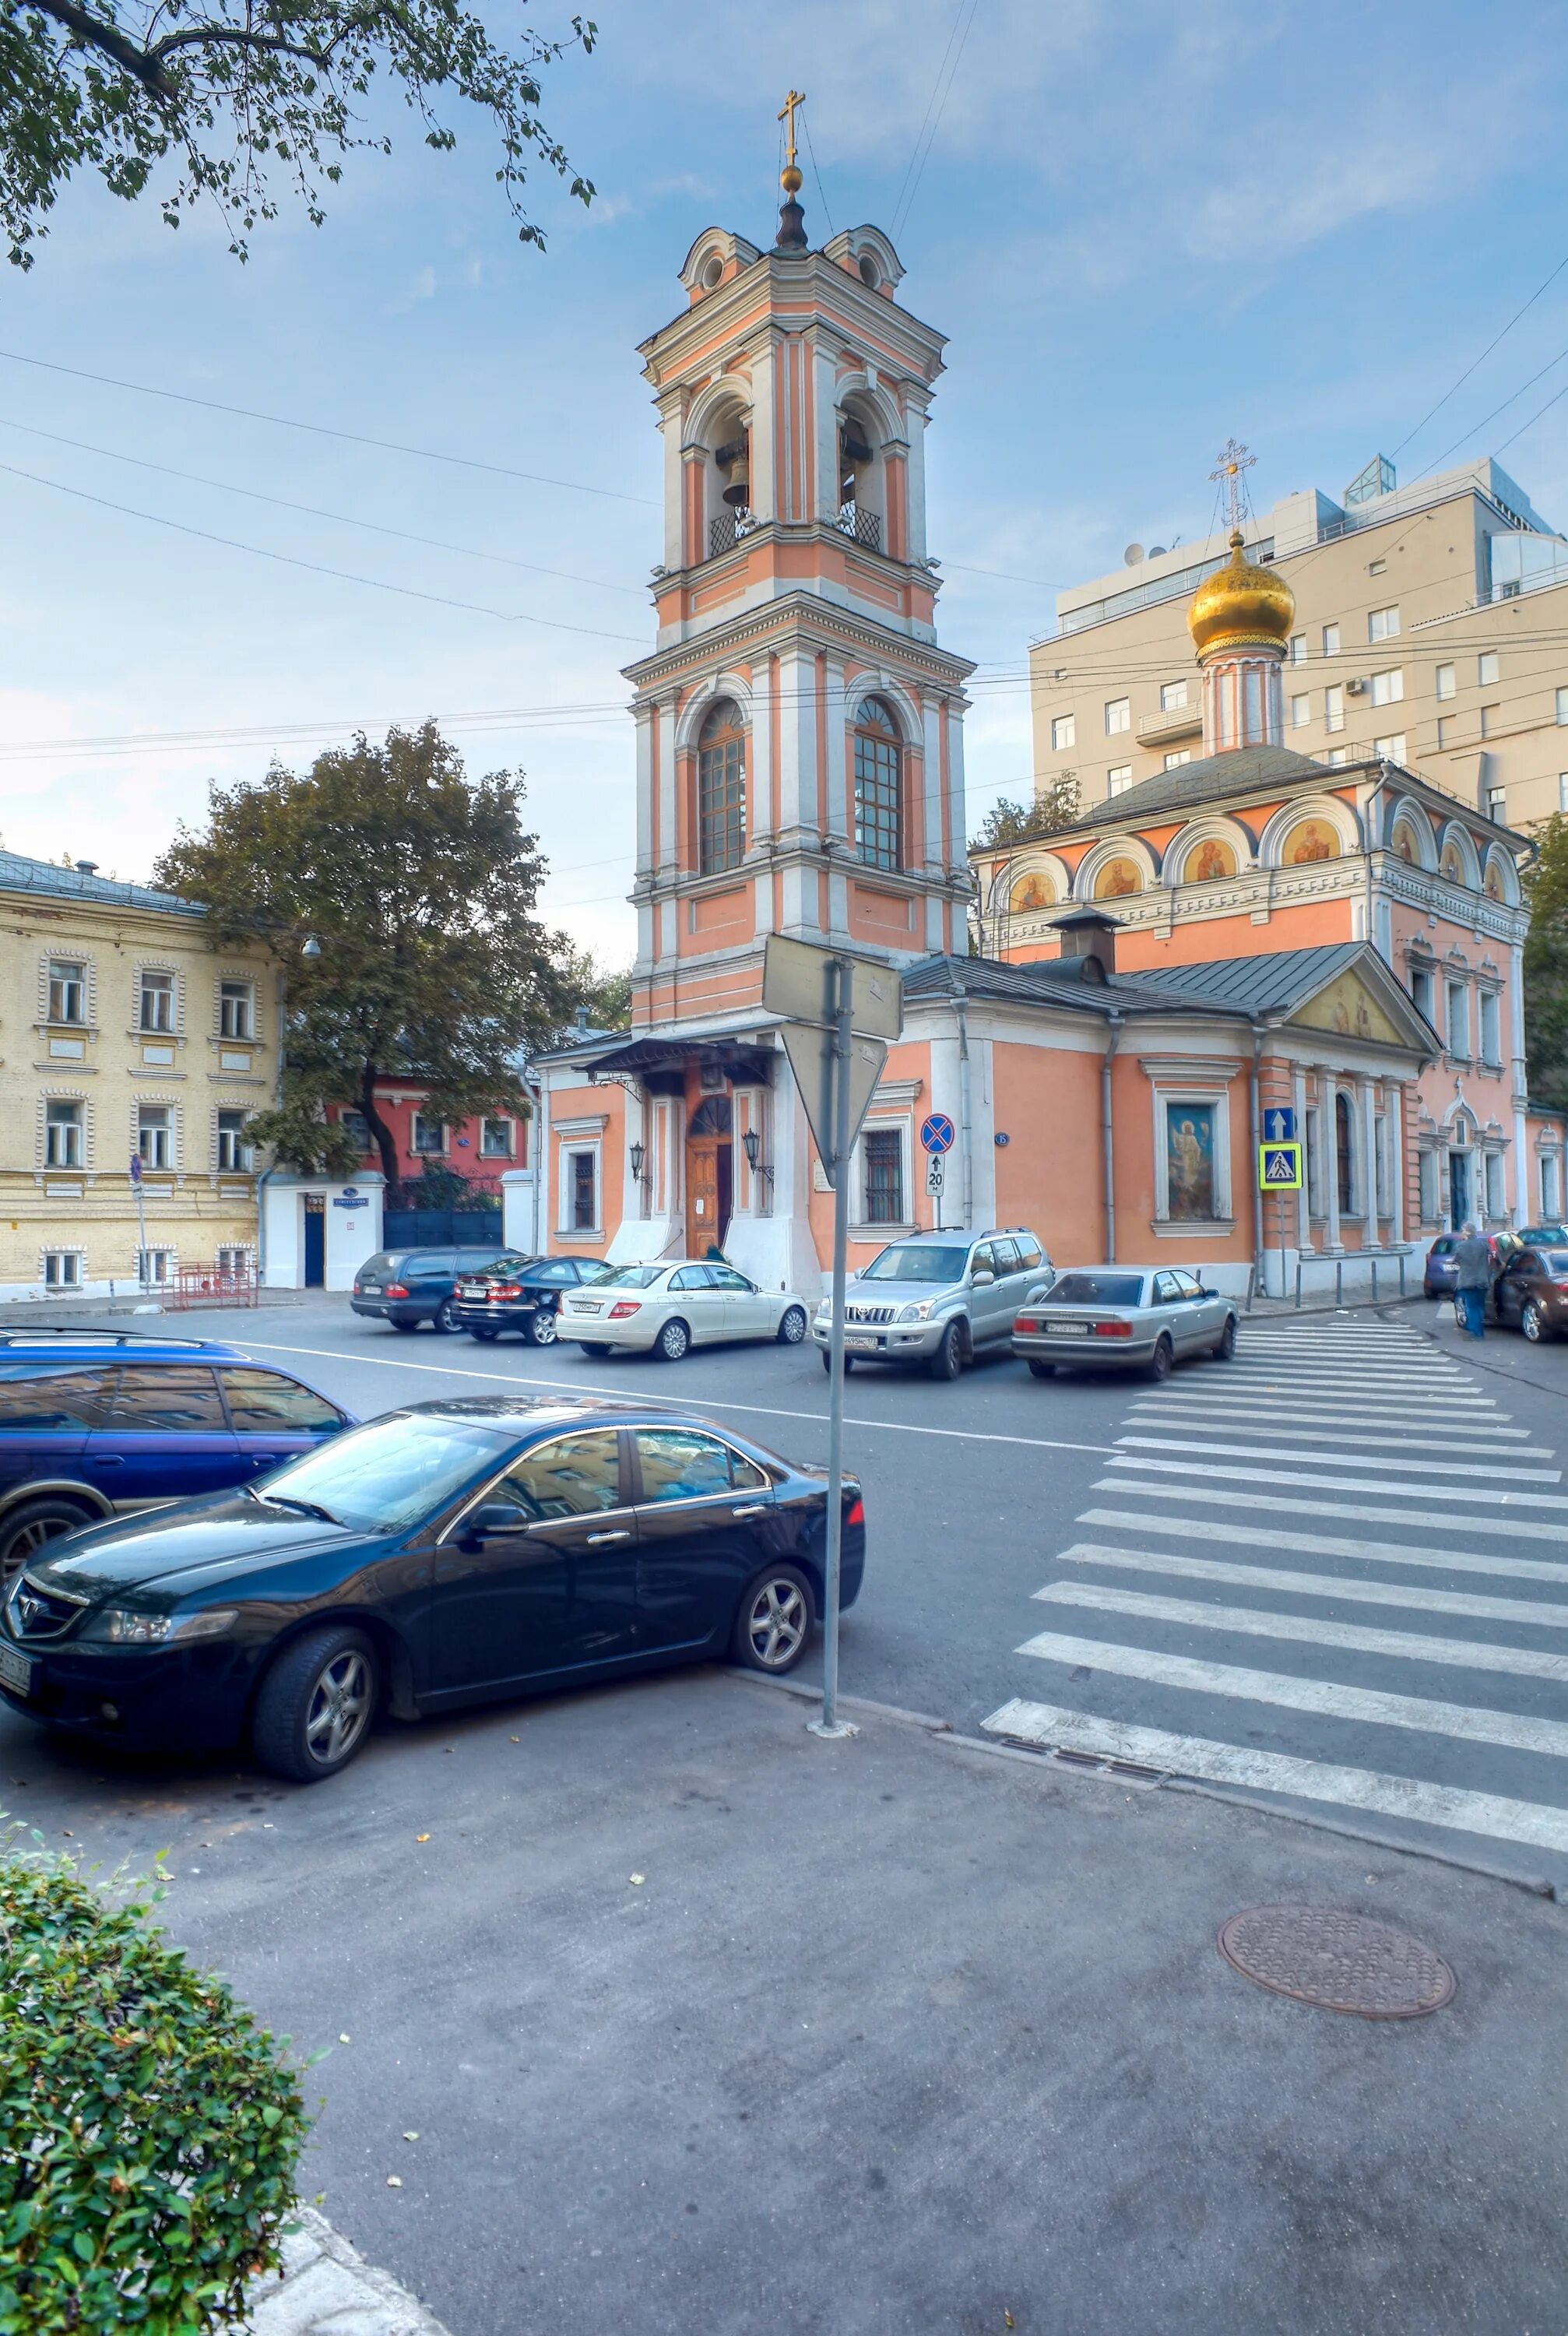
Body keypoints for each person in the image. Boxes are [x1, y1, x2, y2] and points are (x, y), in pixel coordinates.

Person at [1452, 1221, 1494, 1339]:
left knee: (1470, 1307)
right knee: (1479, 1306)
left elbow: (1456, 1260)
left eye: (1463, 1230)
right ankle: (1478, 1330)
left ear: (1466, 1232)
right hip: (1482, 1280)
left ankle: (1476, 1331)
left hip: (1466, 1281)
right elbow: (1492, 1257)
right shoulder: (1483, 1244)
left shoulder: (1460, 1246)